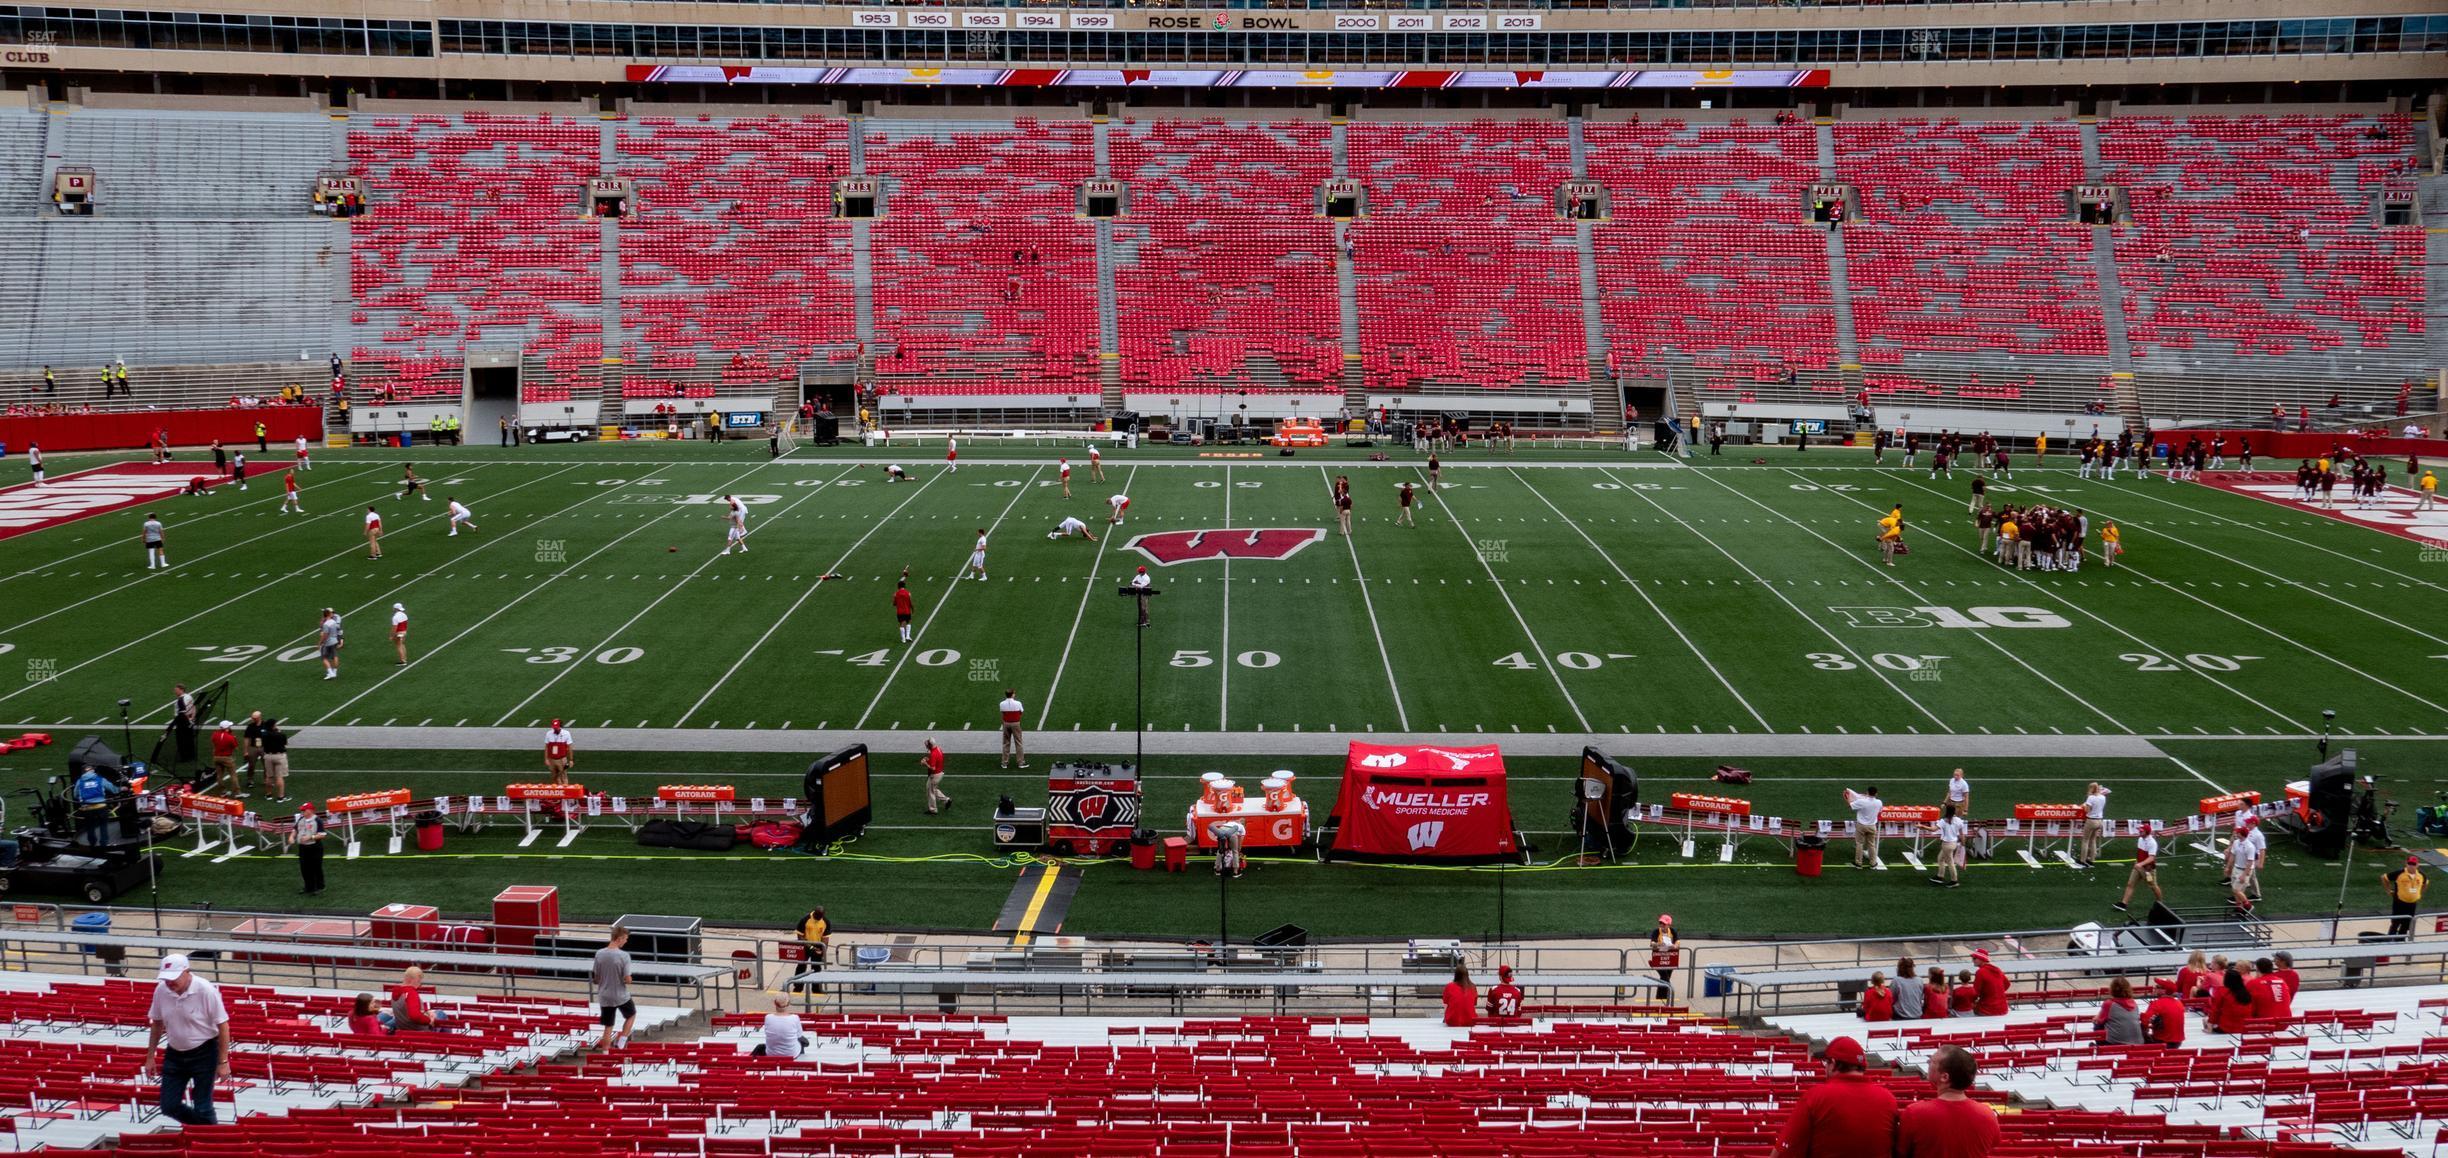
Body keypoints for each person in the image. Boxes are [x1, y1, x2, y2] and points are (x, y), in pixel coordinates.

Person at [143, 955, 233, 1126]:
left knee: (203, 1105)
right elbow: (156, 1023)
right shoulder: (161, 990)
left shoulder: (205, 990)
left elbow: (223, 1025)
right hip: (175, 1053)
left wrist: (223, 1061)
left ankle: (207, 1141)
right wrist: (150, 1056)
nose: (170, 983)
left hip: (204, 1052)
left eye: (174, 978)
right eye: (166, 979)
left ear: (186, 972)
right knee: (168, 1105)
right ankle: (207, 1133)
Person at [1770, 1036, 1896, 1158]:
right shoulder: (1888, 1099)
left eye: (1826, 1062)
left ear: (1833, 1063)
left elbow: (1784, 1149)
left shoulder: (1815, 1097)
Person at [1896, 1045, 1998, 1158]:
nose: (1928, 1062)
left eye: (1932, 1061)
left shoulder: (1915, 1113)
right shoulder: (1988, 1114)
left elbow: (1901, 1152)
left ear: (1944, 1077)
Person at [593, 926, 637, 1051]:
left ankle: (605, 1053)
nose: (626, 941)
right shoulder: (624, 956)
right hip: (620, 994)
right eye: (625, 939)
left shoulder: (599, 953)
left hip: (604, 995)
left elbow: (596, 978)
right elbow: (627, 979)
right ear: (619, 938)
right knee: (631, 1014)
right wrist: (628, 980)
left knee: (608, 1025)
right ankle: (621, 1042)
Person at [2113, 822, 2162, 913]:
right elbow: (2140, 853)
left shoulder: (2152, 843)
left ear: (2146, 832)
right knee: (2130, 884)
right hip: (2139, 867)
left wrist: (2140, 864)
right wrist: (2138, 863)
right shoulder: (2140, 839)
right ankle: (2123, 904)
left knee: (2153, 886)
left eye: (2141, 831)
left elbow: (2151, 857)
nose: (2139, 832)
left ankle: (2160, 903)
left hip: (2148, 870)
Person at [384, 966, 449, 1031]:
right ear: (416, 979)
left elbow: (407, 1007)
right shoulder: (411, 993)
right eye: (420, 980)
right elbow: (415, 1016)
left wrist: (427, 1012)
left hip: (402, 1028)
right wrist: (429, 1020)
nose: (420, 984)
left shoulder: (396, 991)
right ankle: (448, 1040)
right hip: (419, 1030)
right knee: (441, 1013)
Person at [2227, 815, 2265, 914]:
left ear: (2241, 834)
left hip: (2244, 869)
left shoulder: (2250, 846)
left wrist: (2244, 874)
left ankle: (2248, 905)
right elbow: (2232, 854)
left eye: (2237, 832)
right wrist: (2228, 867)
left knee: (2236, 890)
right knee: (2235, 889)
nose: (2235, 833)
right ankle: (2239, 908)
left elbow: (2250, 862)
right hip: (2237, 867)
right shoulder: (2237, 842)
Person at [1842, 785, 1884, 869]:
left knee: (1859, 844)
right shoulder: (1879, 802)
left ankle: (1858, 863)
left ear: (1867, 792)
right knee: (1871, 845)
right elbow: (1880, 811)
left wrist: (1846, 797)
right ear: (1876, 794)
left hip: (1861, 825)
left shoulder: (1862, 801)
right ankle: (1873, 863)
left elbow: (1850, 805)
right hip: (1872, 826)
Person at [73, 762, 115, 847]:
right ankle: (104, 843)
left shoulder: (79, 781)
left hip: (87, 808)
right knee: (103, 824)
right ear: (93, 770)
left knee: (90, 826)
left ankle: (92, 844)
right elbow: (113, 789)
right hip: (101, 807)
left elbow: (75, 795)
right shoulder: (100, 779)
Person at [754, 992, 805, 1059]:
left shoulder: (768, 1017)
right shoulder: (795, 1018)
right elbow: (799, 1035)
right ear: (788, 1003)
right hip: (791, 1054)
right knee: (803, 1041)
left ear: (775, 1003)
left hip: (771, 1054)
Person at [291, 801, 327, 895]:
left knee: (316, 867)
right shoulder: (301, 819)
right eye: (302, 810)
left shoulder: (317, 820)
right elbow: (295, 829)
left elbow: (322, 835)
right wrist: (291, 837)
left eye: (304, 810)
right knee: (304, 868)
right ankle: (308, 887)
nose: (302, 812)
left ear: (310, 810)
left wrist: (310, 837)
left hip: (315, 847)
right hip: (303, 848)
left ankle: (319, 887)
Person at [2384, 855, 2426, 938]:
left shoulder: (2421, 875)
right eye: (2409, 864)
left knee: (2406, 925)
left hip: (2412, 904)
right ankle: (2389, 941)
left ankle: (2401, 941)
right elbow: (2384, 878)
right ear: (2406, 864)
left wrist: (2419, 893)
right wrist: (2388, 890)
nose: (2411, 866)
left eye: (2413, 864)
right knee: (2395, 923)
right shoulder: (2399, 873)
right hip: (2399, 903)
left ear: (2417, 865)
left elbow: (2425, 883)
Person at [2094, 977, 2143, 1045]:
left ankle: (2099, 1047)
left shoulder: (2109, 1004)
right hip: (2138, 1042)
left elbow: (2099, 1021)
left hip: (2116, 1042)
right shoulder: (2134, 1003)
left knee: (2097, 1026)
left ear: (2112, 989)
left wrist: (2096, 1018)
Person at [1927, 803, 1966, 889]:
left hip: (1946, 844)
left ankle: (1954, 881)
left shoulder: (1943, 821)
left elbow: (1933, 829)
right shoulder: (1959, 820)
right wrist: (1963, 844)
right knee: (1940, 858)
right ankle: (1940, 876)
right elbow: (1962, 834)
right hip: (1954, 843)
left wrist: (1922, 826)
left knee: (1950, 862)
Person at [2208, 965, 2253, 1033]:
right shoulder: (2246, 992)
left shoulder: (2222, 991)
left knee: (2206, 1021)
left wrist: (2209, 1026)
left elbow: (2215, 1010)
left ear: (2226, 979)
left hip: (2226, 1028)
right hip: (2245, 1027)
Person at [260, 716, 292, 803]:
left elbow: (261, 744)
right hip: (279, 756)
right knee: (279, 777)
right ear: (273, 726)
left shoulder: (264, 735)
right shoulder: (281, 735)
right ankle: (280, 797)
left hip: (268, 756)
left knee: (269, 776)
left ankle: (268, 794)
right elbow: (285, 744)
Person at [2077, 782, 2108, 867]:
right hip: (2099, 821)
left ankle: (2082, 860)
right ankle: (2092, 860)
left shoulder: (2091, 798)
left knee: (2085, 840)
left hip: (2091, 820)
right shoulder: (2103, 797)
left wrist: (2084, 806)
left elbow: (2087, 810)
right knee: (2093, 840)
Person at [1970, 949, 2008, 1016]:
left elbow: (1975, 993)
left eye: (1974, 958)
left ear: (1981, 959)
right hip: (2003, 1009)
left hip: (1987, 1010)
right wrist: (1995, 993)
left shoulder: (1980, 972)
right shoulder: (1997, 969)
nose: (1972, 960)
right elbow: (2007, 984)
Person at [1441, 964, 1478, 1028]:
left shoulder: (1449, 987)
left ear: (1456, 975)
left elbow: (1446, 1006)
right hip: (1470, 1021)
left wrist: (1445, 1018)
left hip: (1452, 1021)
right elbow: (1473, 1005)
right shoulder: (1473, 987)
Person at [1647, 915, 1678, 990]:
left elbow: (1678, 941)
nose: (1661, 925)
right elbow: (1652, 943)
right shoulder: (1656, 931)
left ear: (1669, 924)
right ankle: (1670, 991)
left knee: (1666, 976)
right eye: (1660, 923)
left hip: (1670, 958)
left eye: (1664, 923)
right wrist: (1658, 944)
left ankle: (1661, 996)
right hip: (1658, 958)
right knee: (1665, 976)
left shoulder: (1673, 931)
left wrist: (1675, 946)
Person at [997, 689, 1026, 769]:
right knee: (1019, 743)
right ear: (1013, 694)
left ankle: (1004, 763)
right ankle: (1020, 762)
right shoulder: (1018, 703)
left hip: (1006, 724)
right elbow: (1021, 712)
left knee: (1006, 743)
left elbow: (1002, 713)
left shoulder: (1002, 703)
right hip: (1016, 723)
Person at [921, 737, 950, 815]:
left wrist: (925, 763)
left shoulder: (933, 754)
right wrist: (928, 759)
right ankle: (946, 800)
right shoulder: (938, 749)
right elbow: (937, 761)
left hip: (935, 775)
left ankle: (933, 810)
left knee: (930, 791)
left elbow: (933, 768)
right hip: (940, 773)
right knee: (932, 789)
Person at [317, 607, 345, 680]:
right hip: (335, 640)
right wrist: (341, 640)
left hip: (328, 642)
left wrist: (320, 643)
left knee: (324, 658)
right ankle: (334, 672)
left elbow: (325, 635)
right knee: (335, 656)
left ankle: (331, 673)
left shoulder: (326, 624)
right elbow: (339, 630)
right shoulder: (333, 622)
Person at [893, 578, 915, 645]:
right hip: (907, 611)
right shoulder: (908, 593)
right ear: (904, 586)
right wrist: (913, 608)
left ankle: (903, 639)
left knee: (901, 624)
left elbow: (894, 603)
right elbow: (910, 602)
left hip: (899, 611)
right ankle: (907, 636)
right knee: (908, 622)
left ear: (898, 586)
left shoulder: (896, 594)